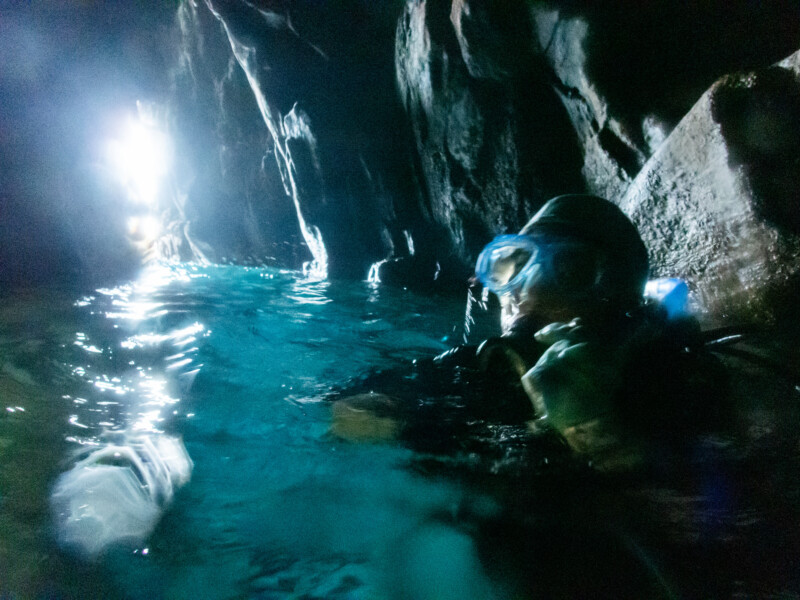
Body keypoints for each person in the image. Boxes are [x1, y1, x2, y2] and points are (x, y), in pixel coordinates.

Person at [329, 194, 730, 473]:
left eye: (570, 270)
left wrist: (595, 432)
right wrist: (385, 410)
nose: (524, 290)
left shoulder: (675, 381)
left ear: (618, 297)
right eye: (512, 265)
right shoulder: (479, 366)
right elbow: (346, 407)